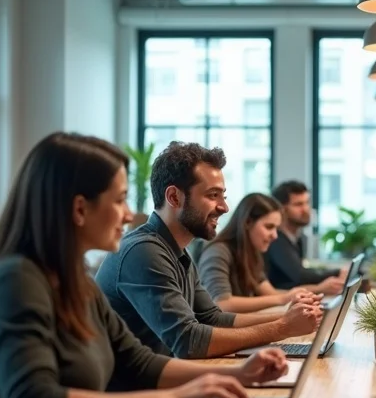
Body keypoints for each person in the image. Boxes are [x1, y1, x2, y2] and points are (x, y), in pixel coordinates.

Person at [0, 133, 288, 398]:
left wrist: (234, 376)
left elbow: (138, 363)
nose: (129, 214)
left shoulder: (75, 282)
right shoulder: (15, 282)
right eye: (118, 200)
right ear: (80, 209)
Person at [95, 143, 322, 359]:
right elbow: (188, 341)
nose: (224, 207)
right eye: (213, 195)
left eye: (222, 195)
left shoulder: (177, 251)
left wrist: (289, 317)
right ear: (174, 197)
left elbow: (212, 318)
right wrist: (282, 328)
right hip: (131, 394)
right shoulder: (143, 251)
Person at [198, 193, 318, 313]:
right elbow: (222, 303)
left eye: (276, 228)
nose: (275, 236)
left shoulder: (251, 253)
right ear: (247, 223)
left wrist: (301, 295)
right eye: (269, 227)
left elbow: (271, 293)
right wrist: (284, 298)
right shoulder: (218, 251)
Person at [264, 180, 345, 294]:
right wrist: (337, 273)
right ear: (281, 209)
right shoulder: (275, 238)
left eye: (307, 202)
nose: (306, 209)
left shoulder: (298, 238)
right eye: (298, 204)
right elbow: (299, 275)